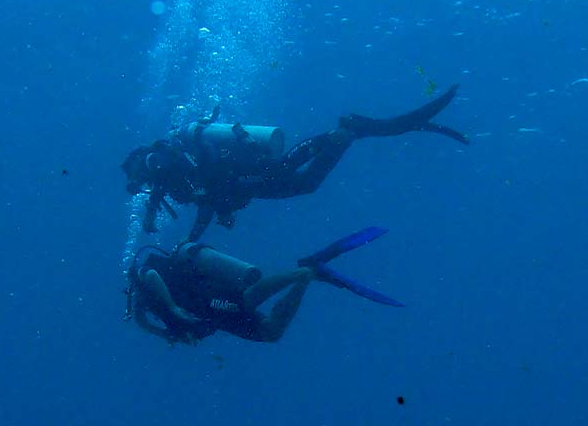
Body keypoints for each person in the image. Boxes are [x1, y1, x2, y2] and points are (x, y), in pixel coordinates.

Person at [122, 84, 468, 241]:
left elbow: (200, 181)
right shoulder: (164, 175)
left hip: (240, 170)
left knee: (288, 170)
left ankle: (344, 132)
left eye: (138, 175)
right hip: (239, 182)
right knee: (305, 184)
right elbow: (206, 196)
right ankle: (346, 134)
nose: (141, 182)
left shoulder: (161, 162)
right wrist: (213, 217)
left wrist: (193, 235)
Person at [128, 228, 402, 346]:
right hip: (213, 315)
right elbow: (141, 321)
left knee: (246, 299)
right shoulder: (141, 306)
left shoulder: (140, 280)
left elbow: (151, 275)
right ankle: (307, 275)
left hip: (204, 294)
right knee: (271, 333)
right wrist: (167, 336)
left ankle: (301, 270)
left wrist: (174, 308)